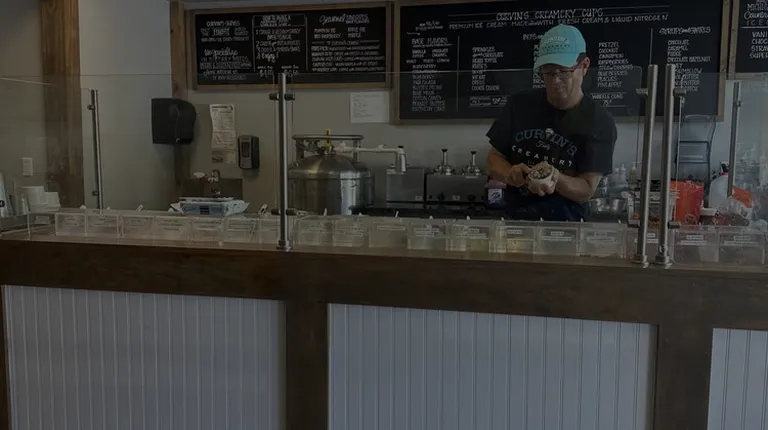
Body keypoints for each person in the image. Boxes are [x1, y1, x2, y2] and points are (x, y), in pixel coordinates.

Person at [486, 24, 617, 221]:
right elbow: (493, 159)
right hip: (516, 221)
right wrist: (510, 174)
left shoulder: (600, 122)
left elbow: (586, 189)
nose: (555, 81)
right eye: (548, 72)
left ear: (584, 66)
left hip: (567, 226)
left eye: (563, 72)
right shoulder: (519, 105)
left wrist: (555, 177)